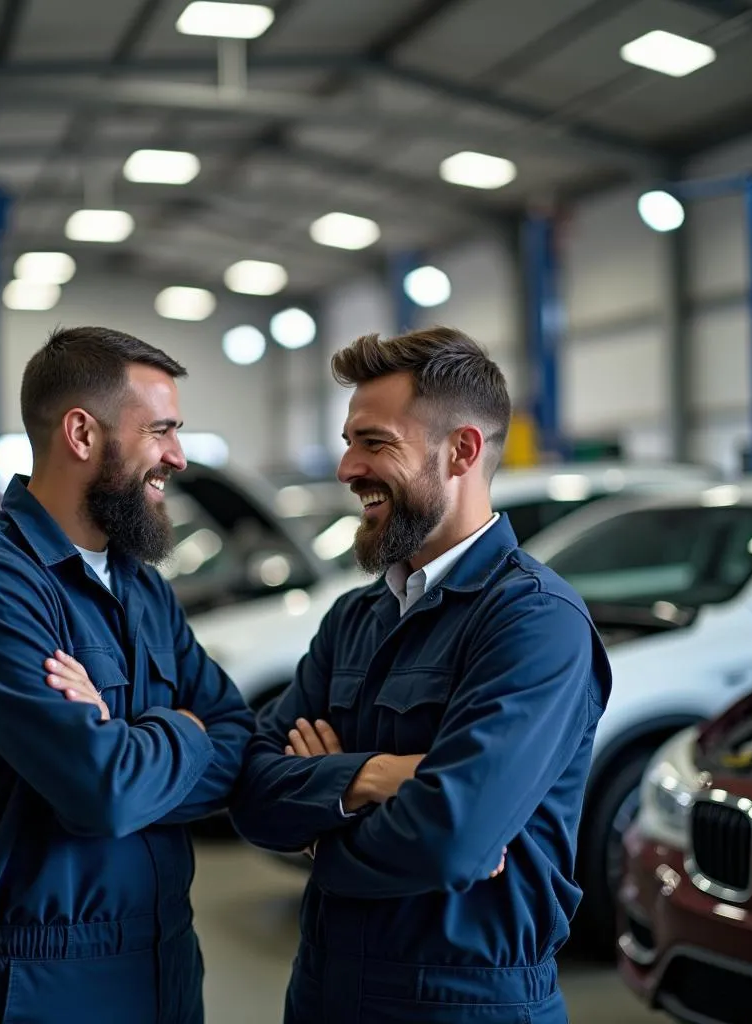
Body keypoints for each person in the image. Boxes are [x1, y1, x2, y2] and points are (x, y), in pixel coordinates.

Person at [231, 327, 612, 1024]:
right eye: (349, 442)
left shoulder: (534, 622)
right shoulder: (354, 618)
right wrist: (377, 774)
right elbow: (252, 793)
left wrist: (318, 830)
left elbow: (450, 839)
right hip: (322, 987)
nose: (348, 468)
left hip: (464, 999)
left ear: (462, 450)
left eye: (374, 443)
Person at [0, 326, 255, 1024]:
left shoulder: (141, 586)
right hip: (42, 981)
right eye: (160, 430)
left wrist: (132, 739)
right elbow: (106, 793)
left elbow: (239, 742)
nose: (178, 457)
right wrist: (182, 728)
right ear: (82, 434)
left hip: (166, 964)